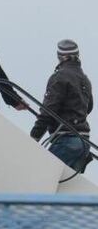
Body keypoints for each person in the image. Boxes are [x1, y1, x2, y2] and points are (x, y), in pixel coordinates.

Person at [30, 39, 93, 172]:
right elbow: (89, 107)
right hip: (84, 142)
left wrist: (34, 136)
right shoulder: (85, 78)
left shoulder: (59, 77)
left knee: (40, 175)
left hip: (66, 139)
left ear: (62, 57)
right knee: (67, 189)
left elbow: (48, 111)